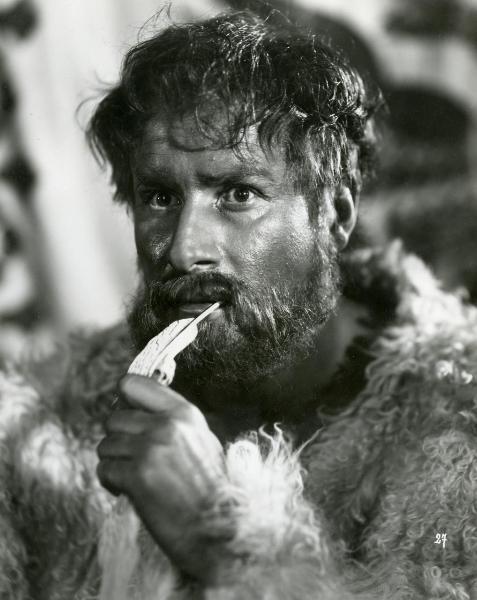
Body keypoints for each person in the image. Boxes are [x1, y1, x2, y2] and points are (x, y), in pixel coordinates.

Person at [1, 10, 476, 599]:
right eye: (159, 196)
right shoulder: (34, 430)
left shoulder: (458, 425)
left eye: (238, 194)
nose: (183, 247)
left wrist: (221, 542)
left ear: (335, 216)